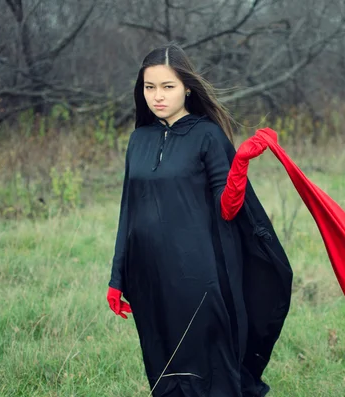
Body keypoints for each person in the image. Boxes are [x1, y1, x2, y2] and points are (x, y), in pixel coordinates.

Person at [106, 44, 294, 397]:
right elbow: (127, 211)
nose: (158, 96)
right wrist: (118, 278)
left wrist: (240, 164)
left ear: (187, 88)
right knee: (164, 366)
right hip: (150, 278)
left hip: (199, 276)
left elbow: (228, 208)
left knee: (210, 369)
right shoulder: (138, 141)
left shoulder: (206, 135)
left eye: (168, 87)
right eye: (150, 87)